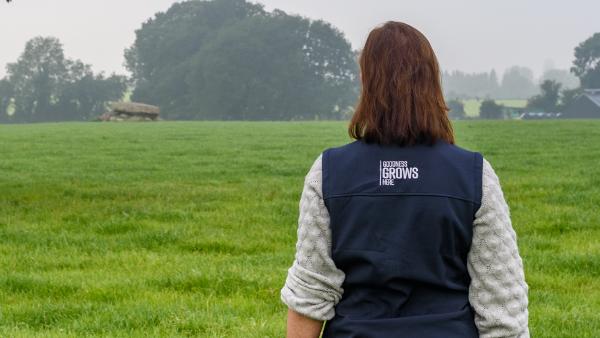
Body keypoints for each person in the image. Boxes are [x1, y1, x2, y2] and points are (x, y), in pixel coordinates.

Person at [280, 21, 529, 338]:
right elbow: (501, 306)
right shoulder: (474, 175)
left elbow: (310, 291)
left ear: (366, 81)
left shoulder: (328, 171)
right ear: (432, 81)